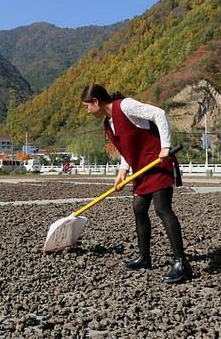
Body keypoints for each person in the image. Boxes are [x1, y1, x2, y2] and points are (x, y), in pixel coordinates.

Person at [80, 84, 190, 284]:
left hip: (158, 163)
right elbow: (126, 149)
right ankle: (144, 257)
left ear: (96, 102)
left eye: (87, 106)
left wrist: (165, 147)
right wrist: (122, 172)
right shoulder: (108, 124)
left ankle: (181, 262)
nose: (87, 111)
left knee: (162, 209)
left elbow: (159, 114)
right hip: (140, 169)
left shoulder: (126, 106)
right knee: (139, 208)